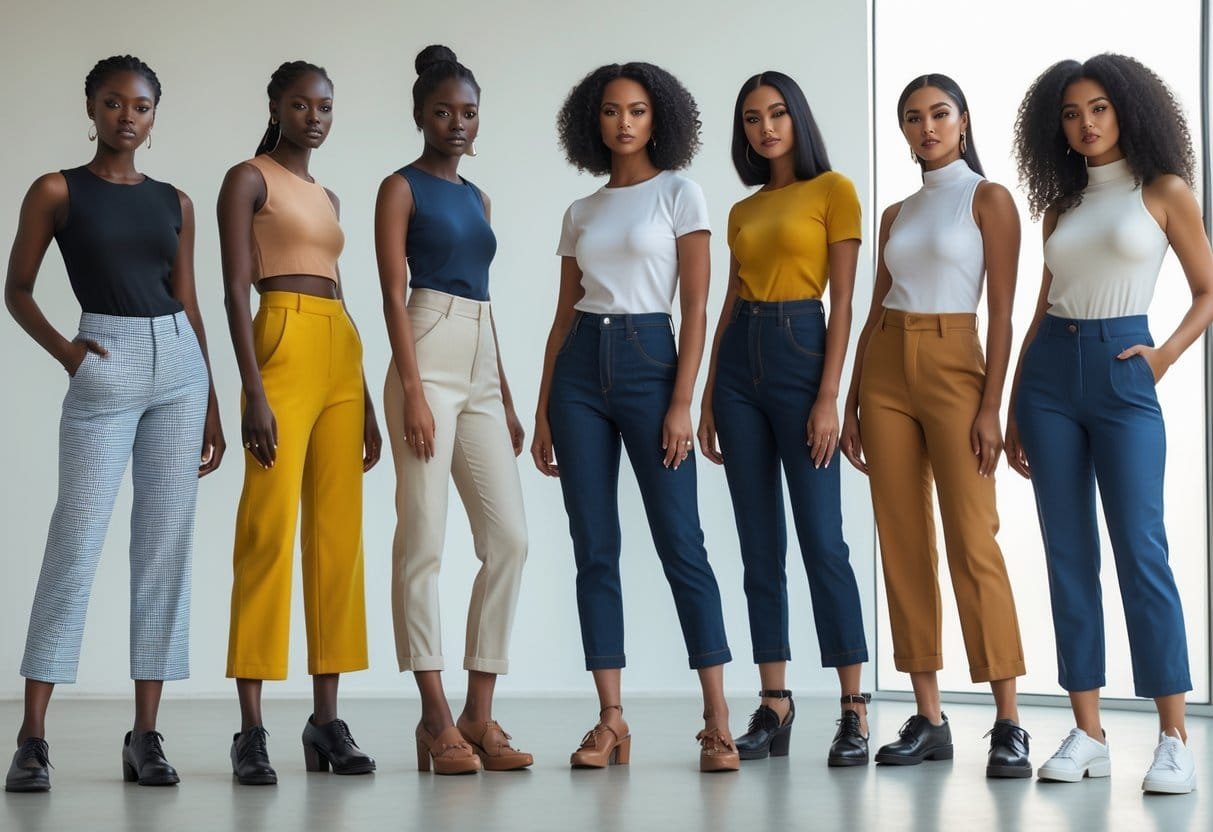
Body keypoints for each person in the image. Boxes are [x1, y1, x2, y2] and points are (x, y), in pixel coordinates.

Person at [4, 55, 224, 791]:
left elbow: (189, 301)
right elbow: (17, 288)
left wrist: (212, 399)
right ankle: (32, 737)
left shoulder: (175, 201)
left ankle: (145, 736)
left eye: (141, 105)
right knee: (76, 540)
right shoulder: (57, 190)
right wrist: (69, 354)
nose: (127, 116)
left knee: (164, 547)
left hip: (180, 368)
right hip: (107, 357)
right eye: (113, 102)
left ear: (155, 116)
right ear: (91, 107)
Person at [1007, 53, 1213, 794]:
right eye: (1070, 113)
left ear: (1126, 109)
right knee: (1067, 556)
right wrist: (1013, 405)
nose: (1086, 123)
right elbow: (1041, 308)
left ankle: (1172, 737)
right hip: (1048, 380)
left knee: (1141, 552)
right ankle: (1087, 733)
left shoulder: (1163, 191)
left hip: (1125, 371)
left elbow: (1207, 290)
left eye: (1098, 107)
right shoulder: (1060, 207)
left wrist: (1163, 358)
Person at [533, 61, 738, 772]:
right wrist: (543, 409)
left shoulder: (680, 194)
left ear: (660, 119)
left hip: (652, 360)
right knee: (594, 546)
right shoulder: (581, 211)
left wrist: (682, 400)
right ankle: (611, 718)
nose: (624, 123)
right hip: (579, 372)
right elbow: (563, 316)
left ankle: (717, 719)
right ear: (592, 121)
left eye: (639, 110)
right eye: (612, 110)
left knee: (682, 542)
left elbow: (696, 308)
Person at [840, 74, 1029, 776]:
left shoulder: (987, 199)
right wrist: (852, 400)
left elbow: (1002, 313)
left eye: (939, 114)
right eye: (913, 117)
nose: (927, 127)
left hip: (956, 363)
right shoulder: (895, 213)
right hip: (886, 366)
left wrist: (991, 405)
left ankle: (1009, 721)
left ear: (963, 120)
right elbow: (875, 309)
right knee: (902, 543)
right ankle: (929, 718)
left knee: (973, 539)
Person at [697, 71, 869, 766]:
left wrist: (829, 396)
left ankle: (853, 708)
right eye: (751, 118)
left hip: (803, 352)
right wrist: (709, 393)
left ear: (797, 118)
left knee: (822, 539)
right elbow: (729, 304)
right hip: (740, 365)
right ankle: (775, 703)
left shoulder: (834, 191)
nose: (765, 127)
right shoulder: (742, 210)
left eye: (776, 113)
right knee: (758, 544)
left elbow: (845, 302)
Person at [219, 60, 381, 785]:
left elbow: (341, 296)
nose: (314, 117)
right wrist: (252, 390)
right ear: (276, 106)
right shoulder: (248, 179)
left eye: (325, 106)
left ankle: (325, 721)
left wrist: (366, 396)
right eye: (301, 104)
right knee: (267, 531)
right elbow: (232, 288)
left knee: (337, 539)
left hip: (339, 353)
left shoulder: (328, 195)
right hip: (279, 339)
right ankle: (251, 729)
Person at [377, 45, 530, 776]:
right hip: (426, 349)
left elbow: (485, 298)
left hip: (480, 362)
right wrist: (412, 390)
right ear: (420, 115)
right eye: (443, 112)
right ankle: (434, 716)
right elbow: (390, 292)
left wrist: (505, 395)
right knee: (424, 541)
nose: (458, 124)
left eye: (468, 112)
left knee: (510, 541)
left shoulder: (479, 198)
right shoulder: (399, 188)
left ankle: (477, 713)